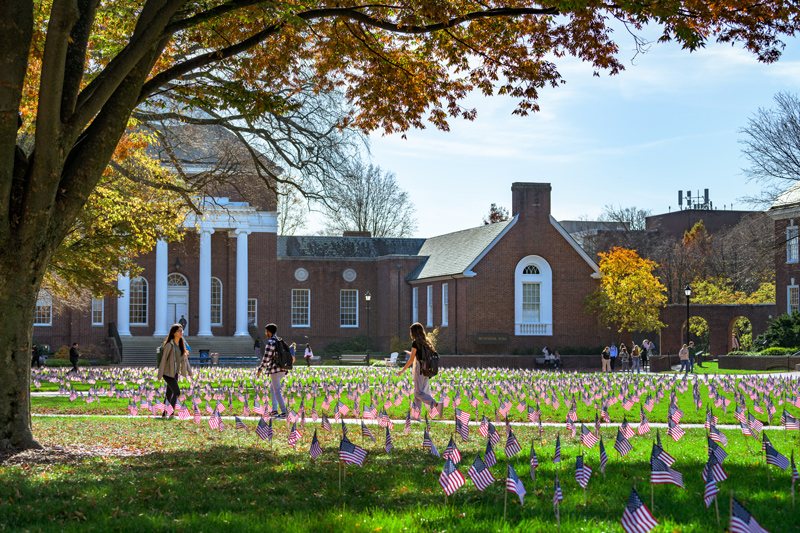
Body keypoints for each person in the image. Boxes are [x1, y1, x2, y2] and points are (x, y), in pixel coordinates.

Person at [397, 322, 442, 418]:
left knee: (418, 392)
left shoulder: (415, 343)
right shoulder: (426, 342)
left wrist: (402, 370)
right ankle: (416, 415)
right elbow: (422, 355)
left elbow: (411, 360)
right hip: (427, 369)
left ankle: (435, 403)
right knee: (419, 391)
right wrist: (411, 353)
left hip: (419, 368)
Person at [257, 323, 293, 418]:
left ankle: (284, 412)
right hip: (282, 368)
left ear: (269, 331)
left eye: (266, 331)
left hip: (275, 370)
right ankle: (274, 410)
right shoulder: (279, 340)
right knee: (272, 389)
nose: (265, 333)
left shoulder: (270, 342)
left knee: (276, 390)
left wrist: (260, 369)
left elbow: (266, 358)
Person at [156, 324, 192, 419]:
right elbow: (163, 360)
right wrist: (160, 374)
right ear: (174, 333)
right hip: (167, 373)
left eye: (182, 331)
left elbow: (185, 359)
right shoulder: (169, 345)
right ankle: (171, 413)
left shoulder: (181, 344)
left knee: (169, 394)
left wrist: (189, 370)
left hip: (175, 372)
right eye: (179, 331)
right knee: (177, 392)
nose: (181, 333)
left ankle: (164, 414)